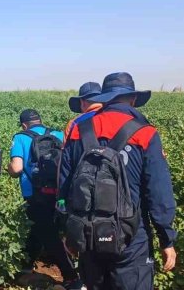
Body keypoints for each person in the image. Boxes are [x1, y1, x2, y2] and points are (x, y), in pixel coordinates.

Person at [59, 72, 177, 290]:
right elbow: (158, 192)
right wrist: (166, 238)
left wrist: (69, 231)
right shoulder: (146, 133)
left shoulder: (78, 131)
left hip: (88, 234)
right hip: (131, 236)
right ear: (132, 99)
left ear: (104, 99)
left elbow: (65, 187)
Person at [7, 109, 82, 289]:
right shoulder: (56, 134)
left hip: (35, 194)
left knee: (48, 235)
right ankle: (25, 267)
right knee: (40, 230)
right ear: (40, 121)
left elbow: (16, 168)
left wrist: (9, 170)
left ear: (24, 124)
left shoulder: (20, 138)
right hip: (61, 193)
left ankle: (71, 276)